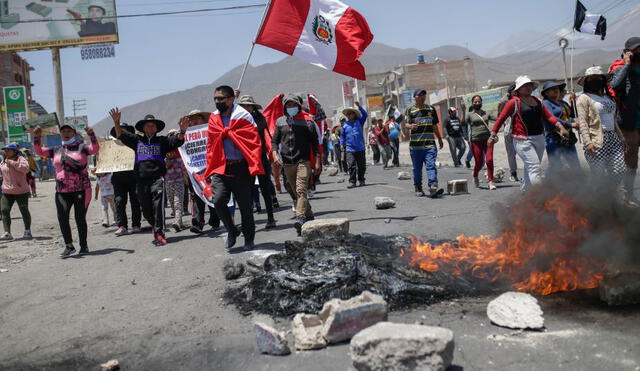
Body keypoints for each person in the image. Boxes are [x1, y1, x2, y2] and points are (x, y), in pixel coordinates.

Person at [110, 108, 187, 246]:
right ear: (143, 128)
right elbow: (120, 135)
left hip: (158, 179)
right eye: (148, 125)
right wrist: (116, 122)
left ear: (157, 128)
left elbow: (178, 141)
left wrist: (182, 130)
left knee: (158, 206)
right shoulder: (136, 140)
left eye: (153, 125)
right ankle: (155, 226)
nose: (150, 127)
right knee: (146, 210)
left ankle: (160, 232)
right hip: (140, 180)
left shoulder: (162, 141)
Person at [204, 85, 264, 249]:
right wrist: (210, 167)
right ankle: (231, 230)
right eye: (215, 99)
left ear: (231, 99)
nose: (217, 101)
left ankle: (249, 238)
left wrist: (230, 132)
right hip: (221, 168)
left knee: (245, 207)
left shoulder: (243, 116)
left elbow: (253, 141)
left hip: (242, 168)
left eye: (221, 98)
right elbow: (211, 145)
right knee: (217, 200)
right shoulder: (213, 119)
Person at [490, 76, 568, 191]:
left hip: (540, 138)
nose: (528, 87)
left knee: (530, 168)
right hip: (522, 140)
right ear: (518, 89)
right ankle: (542, 195)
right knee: (534, 167)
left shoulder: (537, 101)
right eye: (524, 85)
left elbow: (549, 116)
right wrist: (493, 135)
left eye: (529, 85)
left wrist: (560, 126)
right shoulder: (513, 102)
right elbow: (501, 118)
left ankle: (525, 193)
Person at [33, 123, 99, 258]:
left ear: (74, 133)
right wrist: (37, 136)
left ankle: (84, 245)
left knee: (80, 218)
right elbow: (39, 151)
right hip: (62, 191)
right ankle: (69, 246)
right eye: (63, 131)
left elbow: (95, 149)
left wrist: (91, 134)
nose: (66, 133)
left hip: (81, 189)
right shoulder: (56, 149)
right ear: (60, 134)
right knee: (62, 218)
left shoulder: (82, 148)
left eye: (69, 131)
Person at [272, 94, 320, 235]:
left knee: (301, 190)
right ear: (285, 107)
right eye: (288, 105)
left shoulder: (308, 122)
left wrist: (317, 162)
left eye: (293, 105)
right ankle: (309, 215)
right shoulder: (280, 122)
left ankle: (300, 218)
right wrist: (275, 154)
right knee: (297, 192)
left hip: (303, 161)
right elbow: (275, 141)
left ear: (299, 106)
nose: (291, 107)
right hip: (287, 163)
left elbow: (315, 144)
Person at [577, 66, 628, 198]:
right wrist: (587, 142)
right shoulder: (584, 98)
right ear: (587, 82)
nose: (596, 80)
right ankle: (595, 201)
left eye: (599, 78)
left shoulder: (607, 97)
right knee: (599, 175)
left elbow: (613, 119)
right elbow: (582, 122)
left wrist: (622, 138)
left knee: (619, 170)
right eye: (592, 79)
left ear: (603, 80)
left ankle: (609, 195)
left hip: (613, 138)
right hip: (596, 139)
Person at [238, 95, 277, 229]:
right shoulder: (236, 120)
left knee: (265, 188)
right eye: (243, 106)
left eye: (248, 106)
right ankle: (249, 223)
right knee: (247, 191)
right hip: (244, 159)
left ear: (253, 107)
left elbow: (254, 130)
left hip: (260, 158)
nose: (246, 108)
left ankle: (271, 218)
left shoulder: (260, 119)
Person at [609, 36, 640, 205]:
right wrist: (627, 64)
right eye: (637, 49)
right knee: (630, 161)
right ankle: (626, 194)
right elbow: (614, 86)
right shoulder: (619, 67)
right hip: (629, 124)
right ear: (628, 51)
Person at [403, 89, 444, 197]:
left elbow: (434, 125)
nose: (422, 97)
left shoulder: (430, 109)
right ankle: (418, 186)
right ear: (415, 97)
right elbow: (405, 124)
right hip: (415, 146)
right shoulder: (410, 110)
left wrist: (439, 138)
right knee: (417, 168)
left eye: (424, 95)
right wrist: (410, 126)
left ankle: (432, 185)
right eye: (420, 95)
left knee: (430, 165)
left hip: (429, 144)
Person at [109, 123, 142, 236]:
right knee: (119, 201)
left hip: (134, 177)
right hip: (118, 179)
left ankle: (136, 225)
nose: (121, 132)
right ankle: (122, 226)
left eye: (123, 130)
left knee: (135, 201)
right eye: (119, 130)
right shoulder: (110, 146)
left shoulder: (135, 144)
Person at [541, 81, 580, 172]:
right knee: (557, 166)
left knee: (574, 164)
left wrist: (573, 101)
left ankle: (576, 184)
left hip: (568, 136)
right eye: (552, 89)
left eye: (557, 88)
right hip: (554, 137)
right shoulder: (546, 103)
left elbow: (573, 114)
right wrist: (571, 124)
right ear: (546, 93)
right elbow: (552, 118)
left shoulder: (563, 103)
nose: (556, 90)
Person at [464, 96, 497, 190]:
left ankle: (491, 181)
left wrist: (500, 107)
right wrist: (463, 111)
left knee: (489, 160)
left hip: (488, 140)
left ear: (482, 102)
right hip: (475, 141)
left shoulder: (486, 113)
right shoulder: (470, 114)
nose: (477, 103)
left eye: (478, 102)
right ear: (472, 103)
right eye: (475, 102)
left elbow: (498, 118)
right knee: (479, 163)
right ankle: (475, 175)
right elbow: (463, 122)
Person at [0, 143, 31, 241]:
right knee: (4, 210)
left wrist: (12, 163)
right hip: (7, 191)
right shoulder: (3, 161)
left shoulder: (21, 159)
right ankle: (7, 233)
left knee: (24, 210)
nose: (6, 151)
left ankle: (27, 231)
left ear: (14, 151)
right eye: (5, 150)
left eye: (8, 150)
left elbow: (26, 169)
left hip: (21, 191)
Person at [341, 102, 368, 188]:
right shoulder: (345, 125)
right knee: (351, 164)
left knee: (361, 166)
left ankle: (361, 179)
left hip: (360, 148)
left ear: (354, 114)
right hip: (350, 149)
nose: (349, 115)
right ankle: (352, 181)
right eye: (348, 114)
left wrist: (359, 106)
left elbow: (365, 114)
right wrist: (342, 144)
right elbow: (342, 136)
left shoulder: (360, 121)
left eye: (351, 113)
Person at [165, 131, 187, 232]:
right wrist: (168, 161)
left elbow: (184, 167)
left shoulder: (181, 151)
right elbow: (163, 168)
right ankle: (179, 221)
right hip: (168, 182)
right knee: (171, 201)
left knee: (178, 201)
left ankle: (177, 221)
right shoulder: (164, 152)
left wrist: (186, 178)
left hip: (179, 181)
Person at [497, 84, 520, 182]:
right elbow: (500, 117)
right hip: (509, 131)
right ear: (510, 93)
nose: (516, 93)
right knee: (511, 154)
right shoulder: (505, 102)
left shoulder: (521, 101)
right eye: (513, 91)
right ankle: (513, 173)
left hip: (520, 132)